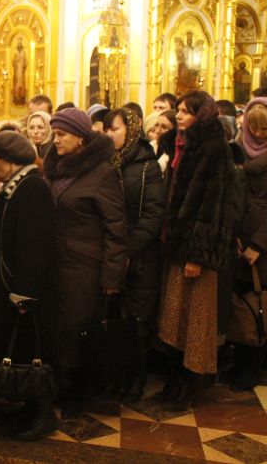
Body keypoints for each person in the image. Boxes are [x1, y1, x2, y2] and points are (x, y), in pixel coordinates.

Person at [42, 107, 127, 417]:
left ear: (80, 137)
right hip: (57, 262)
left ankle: (77, 392)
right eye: (54, 134)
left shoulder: (102, 173)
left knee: (78, 329)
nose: (56, 140)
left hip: (85, 266)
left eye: (62, 134)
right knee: (59, 328)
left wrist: (112, 277)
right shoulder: (57, 168)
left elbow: (116, 227)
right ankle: (61, 387)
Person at [156, 90, 236, 411]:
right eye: (178, 110)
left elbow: (212, 210)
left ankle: (190, 385)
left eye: (186, 112)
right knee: (175, 317)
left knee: (195, 321)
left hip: (195, 253)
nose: (179, 116)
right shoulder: (182, 144)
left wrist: (197, 256)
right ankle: (174, 380)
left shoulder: (214, 148)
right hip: (178, 246)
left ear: (201, 115)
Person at [0, 131, 59, 441]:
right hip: (13, 285)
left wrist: (24, 293)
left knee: (32, 351)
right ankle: (28, 406)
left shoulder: (32, 188)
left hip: (26, 291)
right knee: (23, 351)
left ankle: (43, 413)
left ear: (10, 161)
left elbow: (33, 245)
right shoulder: (16, 186)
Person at [103, 108, 165, 402]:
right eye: (106, 129)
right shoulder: (103, 162)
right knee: (112, 319)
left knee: (137, 322)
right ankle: (113, 376)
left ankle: (135, 379)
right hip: (110, 255)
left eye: (114, 129)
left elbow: (153, 214)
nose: (109, 134)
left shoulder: (146, 166)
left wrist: (126, 250)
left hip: (139, 258)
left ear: (130, 130)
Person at [229, 97, 267, 391]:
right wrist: (234, 237)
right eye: (254, 128)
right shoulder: (235, 150)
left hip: (262, 244)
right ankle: (239, 361)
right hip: (237, 237)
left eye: (265, 128)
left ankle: (255, 365)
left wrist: (258, 244)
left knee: (261, 303)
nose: (259, 133)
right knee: (240, 304)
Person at [12, 38, 28, 105]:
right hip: (17, 69)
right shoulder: (15, 51)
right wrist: (16, 60)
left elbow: (26, 61)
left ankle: (22, 96)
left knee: (21, 83)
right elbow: (13, 61)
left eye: (20, 42)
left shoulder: (23, 51)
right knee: (17, 83)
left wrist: (23, 63)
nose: (19, 43)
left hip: (22, 69)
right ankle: (16, 96)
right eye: (18, 41)